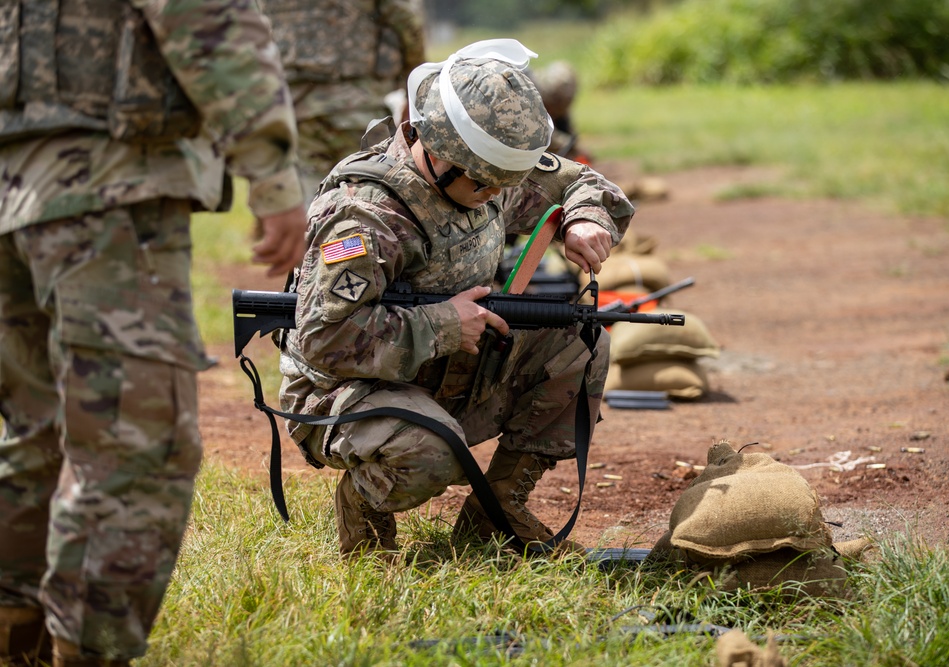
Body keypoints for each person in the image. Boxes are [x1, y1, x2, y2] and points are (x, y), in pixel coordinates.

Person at [0, 1, 307, 665]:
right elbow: (208, 15)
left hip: (11, 192)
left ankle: (15, 635)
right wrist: (273, 169)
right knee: (136, 444)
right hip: (105, 184)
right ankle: (89, 649)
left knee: (41, 431)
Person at [277, 39, 634, 557]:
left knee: (579, 341)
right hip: (348, 393)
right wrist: (444, 325)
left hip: (448, 372)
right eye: (487, 183)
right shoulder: (365, 216)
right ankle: (365, 520)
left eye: (503, 183)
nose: (498, 194)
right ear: (439, 150)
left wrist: (583, 218)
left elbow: (578, 180)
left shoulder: (483, 171)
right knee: (431, 451)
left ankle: (496, 512)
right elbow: (322, 339)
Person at [261, 0, 427, 199]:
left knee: (311, 193)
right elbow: (404, 19)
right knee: (370, 190)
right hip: (356, 104)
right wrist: (416, 80)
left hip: (296, 106)